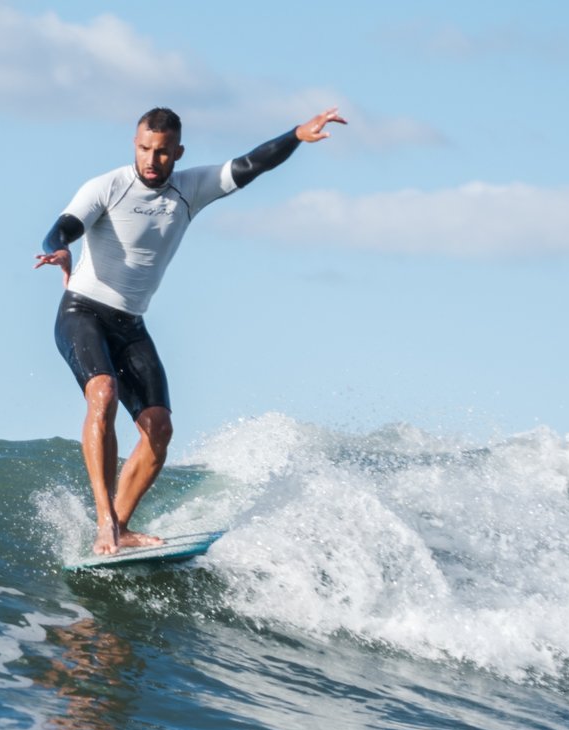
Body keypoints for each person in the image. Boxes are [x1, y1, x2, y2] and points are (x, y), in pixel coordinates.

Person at [34, 105, 347, 555]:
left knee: (158, 429)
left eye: (162, 152)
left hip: (130, 324)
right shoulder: (107, 187)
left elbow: (251, 164)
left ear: (177, 152)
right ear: (135, 144)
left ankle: (119, 528)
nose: (152, 160)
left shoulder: (190, 189)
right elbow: (60, 229)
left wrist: (297, 134)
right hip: (82, 311)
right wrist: (60, 251)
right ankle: (105, 523)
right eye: (144, 148)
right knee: (101, 393)